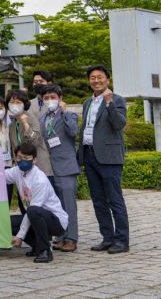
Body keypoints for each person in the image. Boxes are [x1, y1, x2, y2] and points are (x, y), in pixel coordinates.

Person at [78, 65, 129, 254]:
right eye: (92, 77)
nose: (96, 81)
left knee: (115, 200)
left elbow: (119, 124)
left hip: (109, 157)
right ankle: (107, 238)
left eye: (100, 77)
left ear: (108, 80)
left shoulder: (117, 100)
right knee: (98, 201)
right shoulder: (86, 102)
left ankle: (122, 240)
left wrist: (109, 104)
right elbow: (87, 129)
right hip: (90, 155)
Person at [8, 142, 69, 263]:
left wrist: (20, 236)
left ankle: (45, 251)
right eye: (19, 158)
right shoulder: (17, 172)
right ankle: (37, 246)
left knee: (33, 211)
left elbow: (33, 210)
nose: (22, 161)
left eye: (26, 158)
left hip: (56, 221)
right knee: (8, 222)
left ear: (34, 160)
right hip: (35, 215)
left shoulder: (40, 180)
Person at [39, 85, 80, 252]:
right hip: (50, 166)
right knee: (57, 204)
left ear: (60, 98)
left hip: (66, 165)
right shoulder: (43, 118)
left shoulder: (69, 115)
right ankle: (62, 235)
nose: (50, 100)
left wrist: (63, 112)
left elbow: (73, 131)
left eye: (53, 97)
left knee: (69, 203)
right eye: (46, 97)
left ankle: (72, 238)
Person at [6, 89, 53, 181]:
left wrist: (25, 124)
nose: (14, 105)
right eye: (11, 102)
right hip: (22, 169)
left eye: (18, 102)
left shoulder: (31, 118)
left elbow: (35, 141)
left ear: (24, 104)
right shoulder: (12, 123)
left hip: (39, 168)